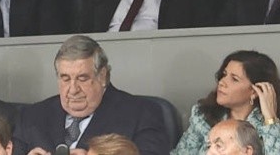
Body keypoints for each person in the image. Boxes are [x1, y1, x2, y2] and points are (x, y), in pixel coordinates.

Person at [12, 35, 170, 155]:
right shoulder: (32, 116)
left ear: (102, 76)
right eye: (65, 79)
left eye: (82, 78)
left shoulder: (141, 114)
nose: (73, 89)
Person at [171, 50, 280, 155]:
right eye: (224, 75)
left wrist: (270, 120)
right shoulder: (203, 115)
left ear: (255, 91)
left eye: (234, 79)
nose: (222, 82)